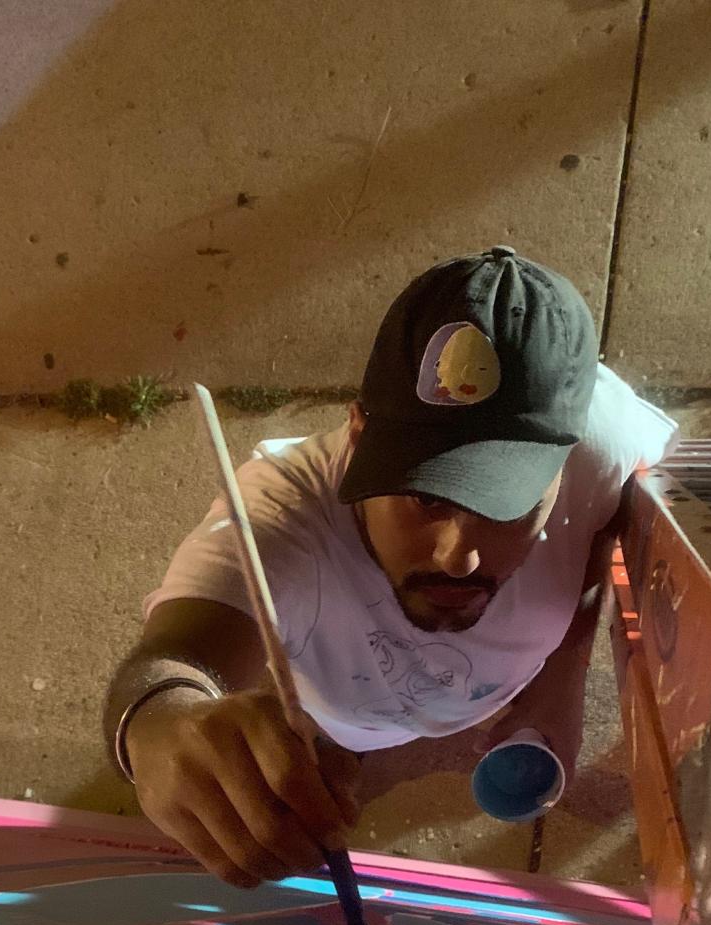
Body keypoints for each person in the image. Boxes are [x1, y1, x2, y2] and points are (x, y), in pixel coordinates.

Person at [102, 246, 679, 889]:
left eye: (510, 503)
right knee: (312, 775)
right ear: (357, 438)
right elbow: (176, 654)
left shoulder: (604, 442)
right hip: (341, 715)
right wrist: (157, 722)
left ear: (572, 460)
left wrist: (562, 676)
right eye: (425, 495)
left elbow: (602, 527)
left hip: (494, 698)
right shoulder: (281, 517)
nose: (458, 555)